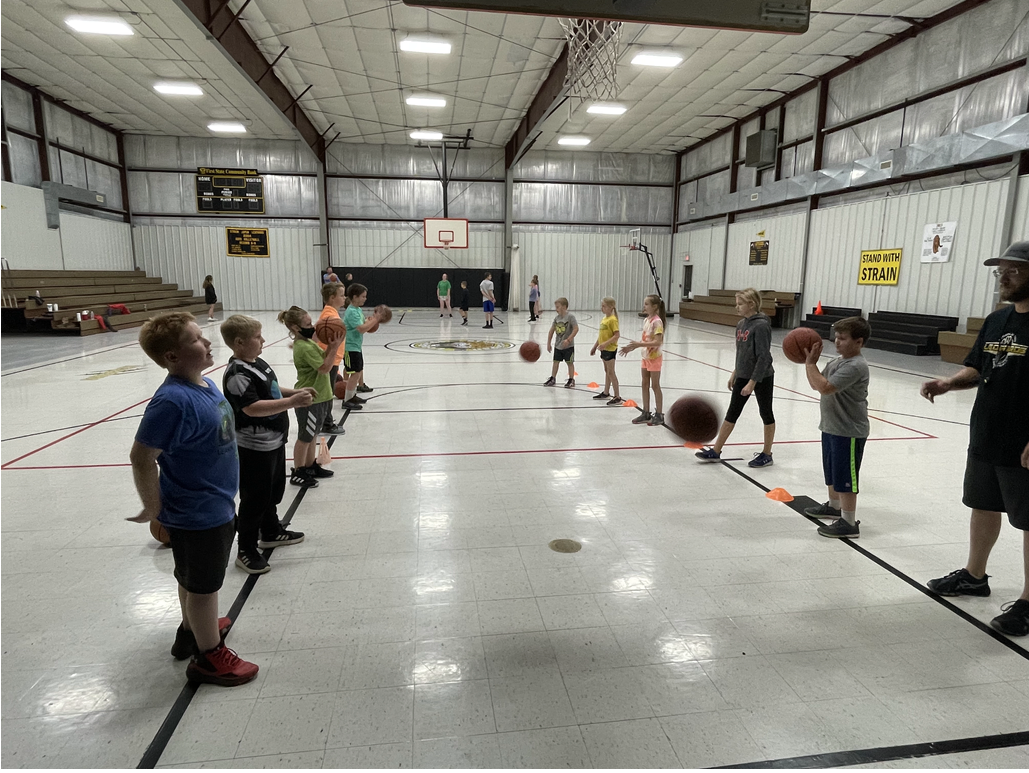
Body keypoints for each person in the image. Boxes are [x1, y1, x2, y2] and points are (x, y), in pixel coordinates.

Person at [128, 311, 258, 686]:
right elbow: (141, 457)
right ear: (172, 356)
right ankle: (208, 656)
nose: (208, 342)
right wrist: (153, 506)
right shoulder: (171, 402)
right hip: (197, 513)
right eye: (197, 339)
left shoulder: (204, 384)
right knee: (204, 588)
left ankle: (191, 631)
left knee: (192, 579)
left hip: (214, 504)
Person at [921, 241, 1029, 637]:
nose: (1003, 276)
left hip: (1024, 442)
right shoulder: (997, 320)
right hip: (986, 432)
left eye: (1014, 270)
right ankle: (974, 575)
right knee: (983, 505)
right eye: (1000, 269)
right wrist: (949, 383)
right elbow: (977, 368)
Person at [221, 315, 311, 574]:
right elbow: (251, 408)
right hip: (253, 446)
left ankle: (270, 530)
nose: (263, 340)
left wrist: (293, 392)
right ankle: (246, 549)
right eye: (257, 337)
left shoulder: (256, 363)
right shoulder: (237, 374)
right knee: (254, 498)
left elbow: (270, 390)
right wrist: (293, 403)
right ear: (239, 343)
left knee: (271, 491)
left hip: (272, 441)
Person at [801, 316, 871, 539]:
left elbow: (826, 387)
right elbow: (815, 383)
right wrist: (810, 365)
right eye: (836, 337)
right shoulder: (836, 362)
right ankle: (834, 506)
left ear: (859, 342)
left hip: (848, 430)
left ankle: (849, 522)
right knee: (832, 473)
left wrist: (810, 364)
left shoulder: (856, 366)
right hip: (831, 426)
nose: (837, 342)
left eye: (843, 338)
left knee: (846, 478)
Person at [696, 288, 776, 467]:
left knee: (766, 413)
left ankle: (767, 453)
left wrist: (752, 382)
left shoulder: (761, 325)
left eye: (740, 304)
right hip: (743, 375)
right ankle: (716, 451)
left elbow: (763, 357)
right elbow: (743, 353)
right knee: (732, 412)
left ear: (751, 304)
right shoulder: (741, 324)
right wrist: (736, 372)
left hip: (762, 376)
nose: (737, 307)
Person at [277, 305, 344, 488]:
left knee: (313, 435)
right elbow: (324, 368)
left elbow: (323, 356)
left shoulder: (309, 343)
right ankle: (298, 471)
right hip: (309, 398)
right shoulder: (303, 347)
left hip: (321, 396)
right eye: (307, 324)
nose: (312, 326)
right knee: (305, 436)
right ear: (295, 328)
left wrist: (330, 346)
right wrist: (335, 347)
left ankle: (310, 465)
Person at [620, 294, 665, 426]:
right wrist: (632, 347)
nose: (644, 306)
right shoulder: (647, 320)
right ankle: (646, 412)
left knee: (655, 385)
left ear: (655, 306)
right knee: (644, 383)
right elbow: (646, 339)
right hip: (646, 356)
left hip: (655, 357)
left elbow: (657, 342)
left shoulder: (657, 322)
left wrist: (639, 345)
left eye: (646, 304)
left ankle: (659, 414)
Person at [341, 283, 381, 411]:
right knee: (354, 373)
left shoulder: (357, 310)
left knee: (357, 372)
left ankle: (352, 395)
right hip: (349, 347)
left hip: (356, 346)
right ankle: (347, 399)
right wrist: (375, 320)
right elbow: (361, 329)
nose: (365, 299)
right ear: (355, 297)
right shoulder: (352, 311)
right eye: (363, 296)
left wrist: (368, 321)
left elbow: (362, 324)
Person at [316, 282, 347, 433]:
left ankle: (326, 421)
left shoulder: (331, 313)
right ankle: (326, 423)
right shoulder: (328, 315)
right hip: (329, 358)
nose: (344, 298)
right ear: (332, 297)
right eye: (341, 295)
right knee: (327, 394)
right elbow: (317, 332)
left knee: (328, 392)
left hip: (334, 358)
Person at [590, 296, 622, 405]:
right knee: (607, 371)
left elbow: (617, 335)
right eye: (602, 306)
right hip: (603, 349)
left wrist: (605, 344)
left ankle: (617, 396)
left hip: (610, 349)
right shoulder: (604, 319)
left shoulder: (613, 320)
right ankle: (606, 392)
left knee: (611, 372)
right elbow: (601, 336)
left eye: (604, 306)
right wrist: (595, 346)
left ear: (611, 307)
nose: (601, 308)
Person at [544, 297, 579, 388]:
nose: (556, 309)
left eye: (558, 307)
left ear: (564, 307)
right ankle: (553, 378)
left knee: (569, 363)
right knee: (555, 362)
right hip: (558, 345)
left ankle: (571, 379)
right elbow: (551, 331)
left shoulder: (570, 317)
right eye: (556, 307)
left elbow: (576, 329)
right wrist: (548, 343)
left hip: (568, 346)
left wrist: (568, 339)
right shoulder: (556, 318)